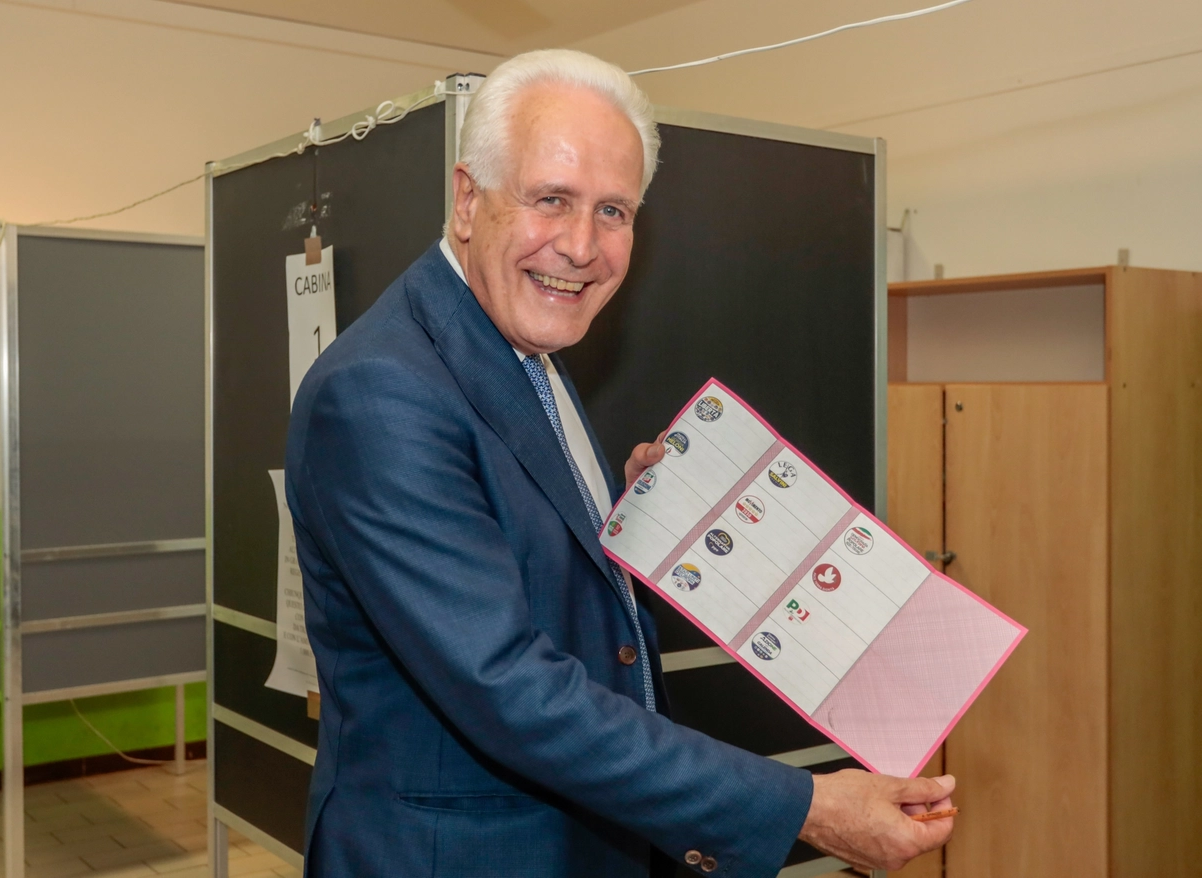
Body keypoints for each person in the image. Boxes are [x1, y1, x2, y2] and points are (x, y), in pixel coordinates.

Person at [284, 48, 956, 878]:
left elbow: (522, 556)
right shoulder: (381, 392)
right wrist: (808, 809)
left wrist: (630, 524)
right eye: (551, 200)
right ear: (468, 200)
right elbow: (508, 689)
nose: (580, 246)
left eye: (614, 211)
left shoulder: (525, 346)